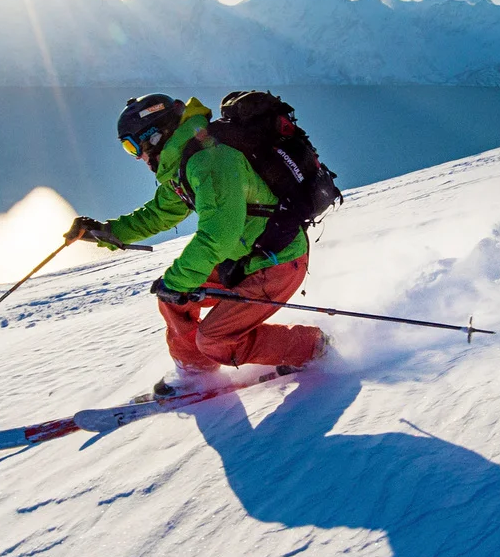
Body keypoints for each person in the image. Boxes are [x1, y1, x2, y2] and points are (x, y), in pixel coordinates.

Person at [68, 93, 326, 385]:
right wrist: (107, 232)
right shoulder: (185, 161)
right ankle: (195, 373)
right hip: (244, 256)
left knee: (215, 340)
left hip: (277, 261)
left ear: (154, 136)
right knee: (174, 301)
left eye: (132, 146)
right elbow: (160, 213)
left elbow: (219, 235)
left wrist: (178, 282)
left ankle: (313, 347)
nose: (136, 157)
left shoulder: (210, 160)